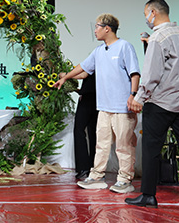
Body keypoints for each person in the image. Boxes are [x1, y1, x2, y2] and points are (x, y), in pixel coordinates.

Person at [126, 0, 179, 209]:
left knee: (151, 148)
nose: (146, 18)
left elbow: (152, 74)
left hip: (161, 102)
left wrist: (139, 98)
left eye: (146, 13)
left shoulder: (158, 37)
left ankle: (148, 195)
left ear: (153, 12)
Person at [54, 13, 140, 193]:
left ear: (107, 28)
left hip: (122, 107)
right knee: (101, 144)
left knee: (123, 145)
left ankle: (125, 179)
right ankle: (96, 176)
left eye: (97, 27)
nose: (95, 31)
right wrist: (65, 78)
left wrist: (133, 95)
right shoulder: (99, 51)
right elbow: (83, 68)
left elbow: (135, 73)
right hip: (104, 107)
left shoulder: (125, 47)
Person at [73, 73, 98, 181]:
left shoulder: (95, 59)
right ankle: (94, 168)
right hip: (100, 98)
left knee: (79, 130)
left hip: (88, 97)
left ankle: (83, 168)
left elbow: (83, 73)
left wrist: (66, 76)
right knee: (94, 133)